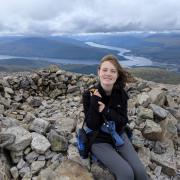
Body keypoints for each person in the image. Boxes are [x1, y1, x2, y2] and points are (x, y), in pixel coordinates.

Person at [82, 54, 148, 180]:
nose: (108, 74)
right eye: (105, 70)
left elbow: (123, 121)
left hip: (118, 134)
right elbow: (91, 124)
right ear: (98, 71)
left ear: (117, 75)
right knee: (126, 173)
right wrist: (94, 103)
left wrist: (106, 110)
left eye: (113, 71)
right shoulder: (89, 94)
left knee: (140, 172)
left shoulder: (120, 93)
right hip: (98, 139)